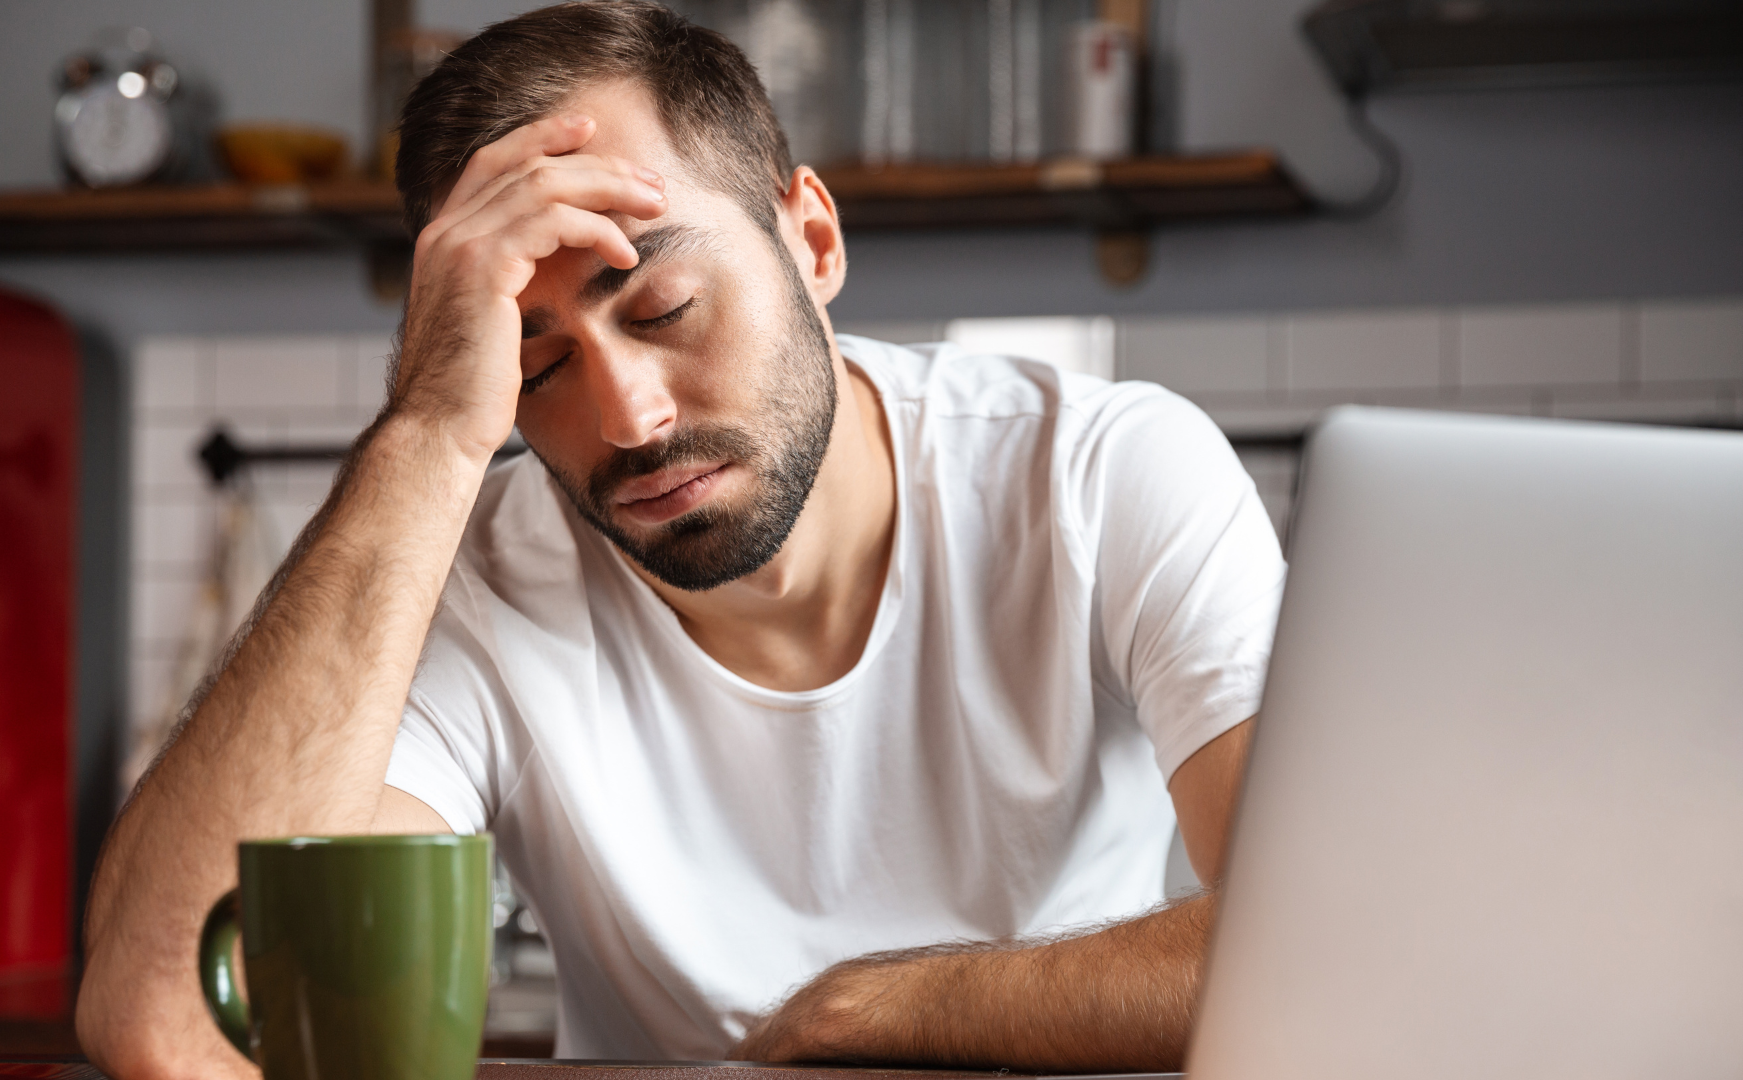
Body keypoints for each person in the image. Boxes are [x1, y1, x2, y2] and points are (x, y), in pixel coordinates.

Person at [76, 3, 1284, 1076]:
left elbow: (1330, 934)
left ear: (811, 244)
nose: (628, 420)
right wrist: (431, 430)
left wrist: (872, 1012)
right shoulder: (470, 577)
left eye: (666, 308)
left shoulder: (1102, 473)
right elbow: (168, 1022)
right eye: (535, 367)